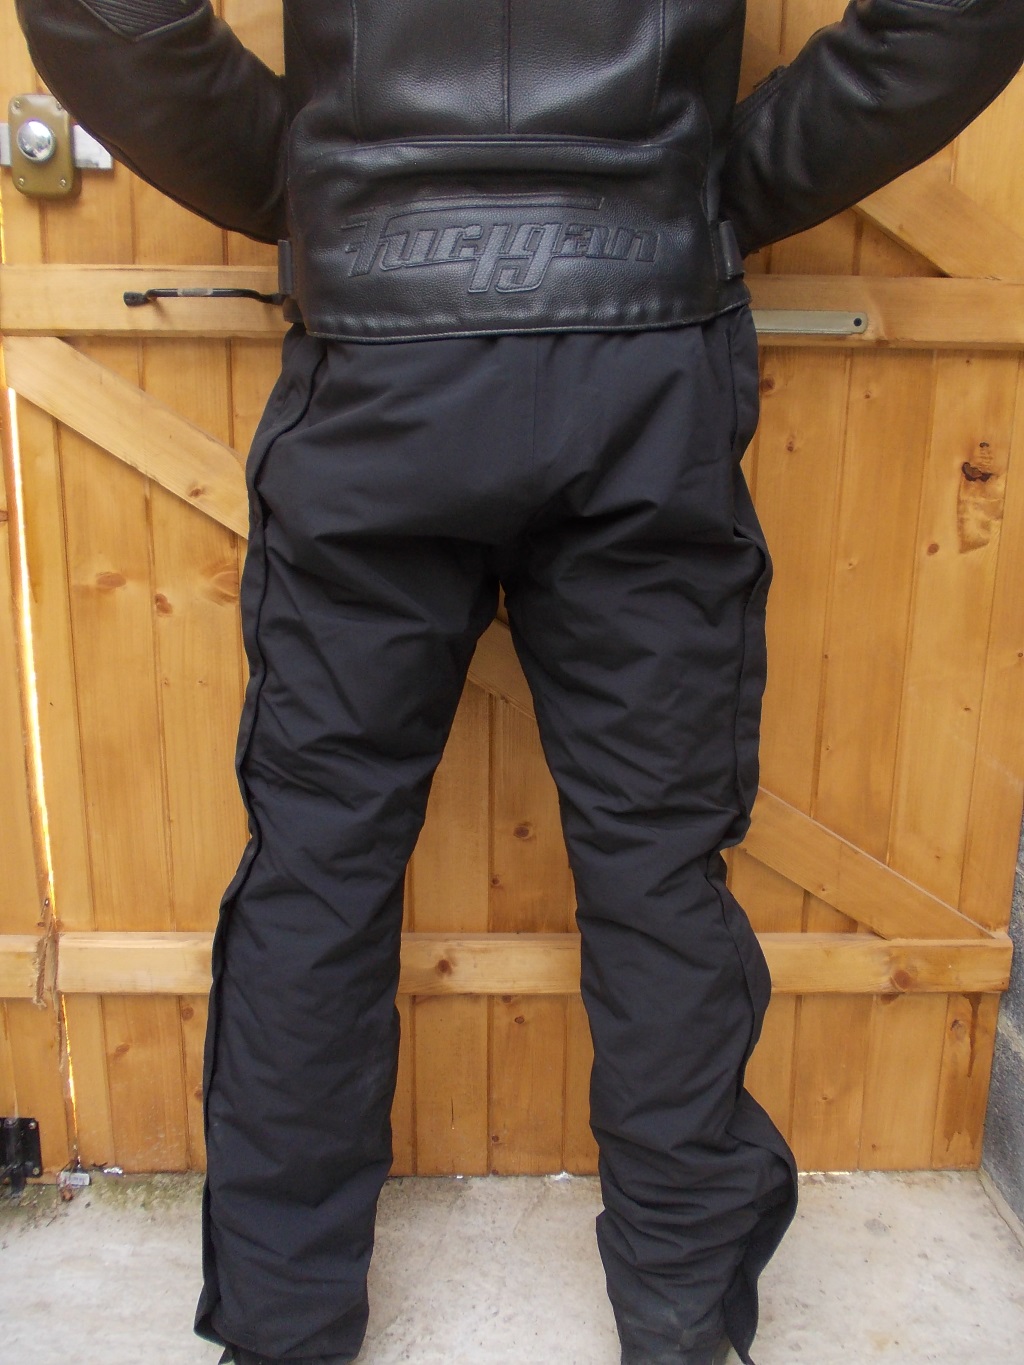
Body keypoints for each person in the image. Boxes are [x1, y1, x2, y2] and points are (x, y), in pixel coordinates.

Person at [16, 3, 1024, 1363]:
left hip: (381, 363)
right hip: (644, 363)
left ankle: (283, 1328)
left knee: (320, 865)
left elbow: (101, 13)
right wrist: (694, 199)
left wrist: (336, 198)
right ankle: (681, 1321)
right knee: (658, 870)